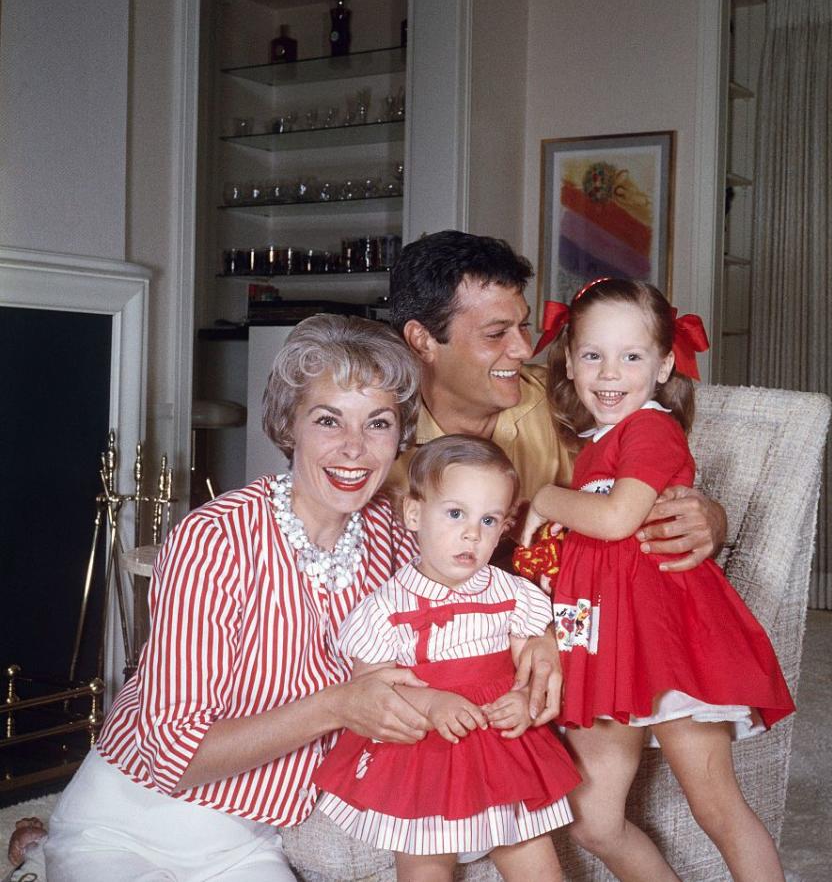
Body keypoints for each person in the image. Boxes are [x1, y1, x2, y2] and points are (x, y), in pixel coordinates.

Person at [37, 315, 536, 881]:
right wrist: (339, 704)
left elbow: (493, 598)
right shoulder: (215, 539)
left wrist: (541, 640)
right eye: (328, 420)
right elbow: (173, 758)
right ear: (288, 424)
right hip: (131, 824)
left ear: (400, 437)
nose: (355, 448)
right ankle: (54, 847)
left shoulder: (399, 537)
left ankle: (37, 854)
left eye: (378, 423)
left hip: (252, 842)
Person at [519, 278, 796, 882]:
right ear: (569, 360)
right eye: (593, 354)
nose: (609, 372)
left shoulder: (651, 428)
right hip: (602, 643)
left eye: (632, 356)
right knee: (594, 823)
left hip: (669, 642)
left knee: (715, 805)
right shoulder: (594, 444)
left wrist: (544, 497)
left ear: (666, 362)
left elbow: (617, 520)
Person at [312, 435, 581, 881]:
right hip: (423, 753)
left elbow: (533, 663)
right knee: (424, 866)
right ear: (414, 513)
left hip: (501, 744)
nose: (472, 534)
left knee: (534, 862)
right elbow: (370, 688)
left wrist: (523, 698)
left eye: (489, 520)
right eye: (455, 514)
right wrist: (433, 703)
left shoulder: (511, 593)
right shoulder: (385, 607)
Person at [387, 230, 727, 573]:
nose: (524, 348)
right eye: (495, 333)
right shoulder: (374, 440)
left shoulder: (573, 396)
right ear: (423, 340)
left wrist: (712, 519)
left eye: (524, 325)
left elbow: (654, 473)